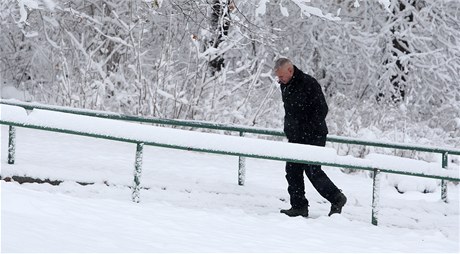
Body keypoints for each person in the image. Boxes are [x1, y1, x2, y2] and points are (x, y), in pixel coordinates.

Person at [274, 58, 347, 217]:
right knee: (292, 170)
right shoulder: (286, 85)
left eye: (281, 76)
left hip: (313, 135)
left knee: (312, 170)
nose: (279, 80)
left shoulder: (309, 83)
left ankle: (337, 198)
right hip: (295, 136)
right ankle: (299, 206)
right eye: (278, 77)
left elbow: (322, 110)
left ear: (290, 71)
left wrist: (305, 128)